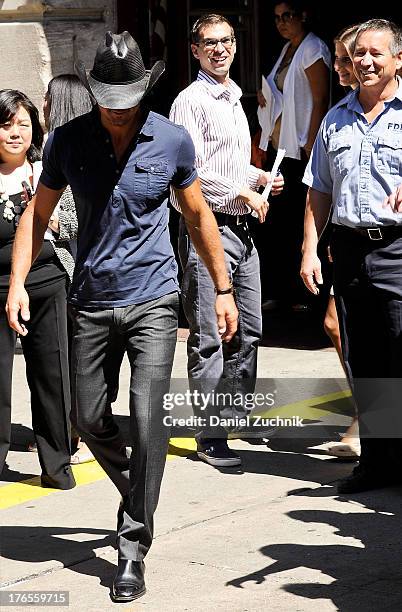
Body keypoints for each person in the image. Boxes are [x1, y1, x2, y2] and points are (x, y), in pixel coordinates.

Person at [6, 31, 238, 602]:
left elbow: (198, 215)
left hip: (155, 301)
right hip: (90, 300)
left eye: (128, 98)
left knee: (150, 416)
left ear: (143, 91)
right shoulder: (66, 141)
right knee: (86, 417)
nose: (119, 110)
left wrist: (222, 288)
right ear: (96, 94)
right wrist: (16, 285)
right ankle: (140, 488)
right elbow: (36, 218)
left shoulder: (172, 140)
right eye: (109, 99)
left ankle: (133, 545)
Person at [169, 14, 284, 468]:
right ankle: (210, 432)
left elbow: (230, 163)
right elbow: (189, 174)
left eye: (226, 41)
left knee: (250, 330)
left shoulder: (235, 96)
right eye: (209, 43)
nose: (219, 49)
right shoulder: (190, 102)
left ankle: (236, 411)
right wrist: (238, 191)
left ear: (235, 45)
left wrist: (257, 178)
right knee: (210, 336)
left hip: (242, 229)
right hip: (207, 228)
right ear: (194, 49)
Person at [300, 19, 402, 494]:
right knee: (369, 361)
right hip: (349, 248)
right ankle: (379, 463)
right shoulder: (335, 118)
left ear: (397, 59)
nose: (364, 61)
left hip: (399, 248)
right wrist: (309, 249)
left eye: (375, 54)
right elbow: (319, 189)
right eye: (358, 53)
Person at [0, 89, 75, 490]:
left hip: (46, 283)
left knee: (53, 376)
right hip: (0, 288)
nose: (15, 132)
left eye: (23, 124)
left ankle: (56, 465)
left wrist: (55, 221)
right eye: (6, 124)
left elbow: (75, 224)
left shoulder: (49, 171)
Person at [255, 0, 331, 310]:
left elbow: (320, 96)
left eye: (287, 15)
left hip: (301, 149)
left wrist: (312, 144)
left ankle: (305, 294)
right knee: (279, 220)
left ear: (303, 14)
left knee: (300, 220)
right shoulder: (288, 48)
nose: (281, 23)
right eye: (276, 18)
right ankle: (283, 291)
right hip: (281, 147)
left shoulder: (313, 48)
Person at [44, 74, 97, 465]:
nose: (42, 106)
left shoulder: (65, 149)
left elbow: (75, 220)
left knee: (75, 355)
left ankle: (78, 435)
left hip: (73, 269)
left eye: (47, 99)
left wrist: (38, 213)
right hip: (71, 267)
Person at [322, 25, 361, 459]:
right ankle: (369, 414)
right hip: (349, 243)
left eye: (344, 60)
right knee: (339, 325)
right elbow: (328, 185)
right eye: (339, 59)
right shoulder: (339, 113)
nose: (340, 68)